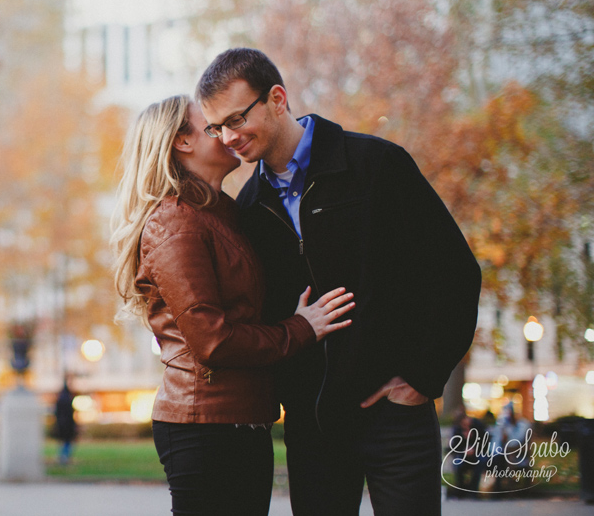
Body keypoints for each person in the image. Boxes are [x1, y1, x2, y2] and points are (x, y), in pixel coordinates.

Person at [196, 48, 482, 516]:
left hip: (395, 413)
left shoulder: (375, 165)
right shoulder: (247, 209)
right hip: (314, 428)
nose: (228, 138)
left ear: (277, 99)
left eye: (236, 119)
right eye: (216, 127)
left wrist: (420, 378)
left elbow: (453, 272)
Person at [110, 94, 355, 515]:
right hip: (204, 424)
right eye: (211, 128)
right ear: (181, 143)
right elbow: (213, 340)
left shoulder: (221, 212)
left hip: (239, 420)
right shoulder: (175, 221)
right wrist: (302, 328)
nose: (226, 135)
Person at [53, 379, 78, 465]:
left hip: (61, 424)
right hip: (67, 425)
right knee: (67, 442)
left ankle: (63, 457)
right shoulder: (68, 398)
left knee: (63, 443)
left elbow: (56, 412)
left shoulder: (60, 398)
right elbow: (70, 414)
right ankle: (64, 458)